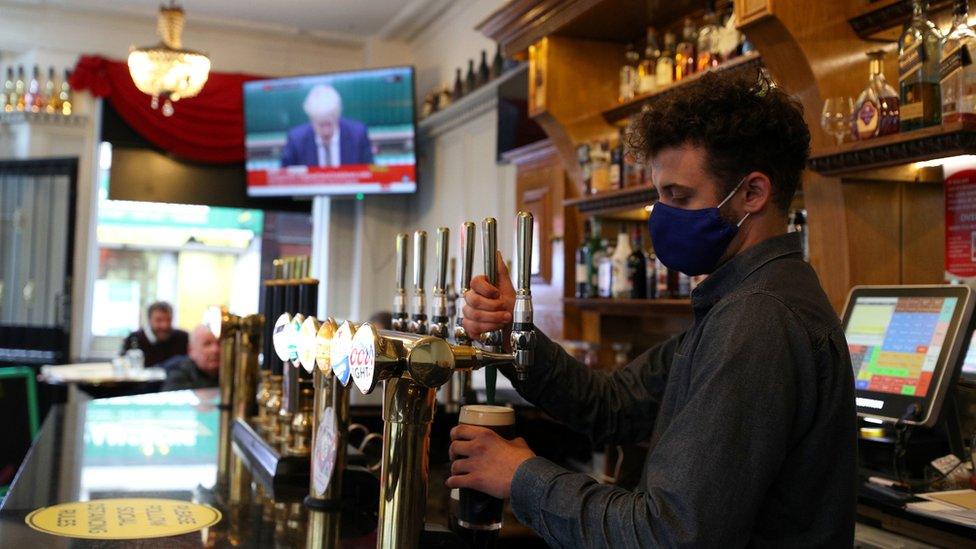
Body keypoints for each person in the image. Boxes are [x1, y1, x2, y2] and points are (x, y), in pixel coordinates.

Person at [450, 74, 857, 546]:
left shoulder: (759, 321)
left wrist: (520, 475)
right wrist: (508, 330)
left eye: (678, 197)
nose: (659, 215)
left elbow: (668, 534)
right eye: (659, 195)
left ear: (753, 194)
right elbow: (611, 404)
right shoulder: (738, 305)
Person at [280, 84, 374, 168]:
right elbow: (284, 179)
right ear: (312, 120)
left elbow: (370, 174)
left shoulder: (358, 135)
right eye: (320, 125)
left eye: (329, 124)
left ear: (337, 117)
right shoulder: (296, 140)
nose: (326, 132)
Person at [120, 301, 189, 367]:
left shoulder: (183, 338)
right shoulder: (134, 339)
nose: (164, 325)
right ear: (149, 320)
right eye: (159, 320)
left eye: (168, 320)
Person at [161, 325, 220, 391]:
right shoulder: (178, 376)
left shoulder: (229, 375)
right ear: (191, 350)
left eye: (219, 343)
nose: (216, 350)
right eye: (207, 344)